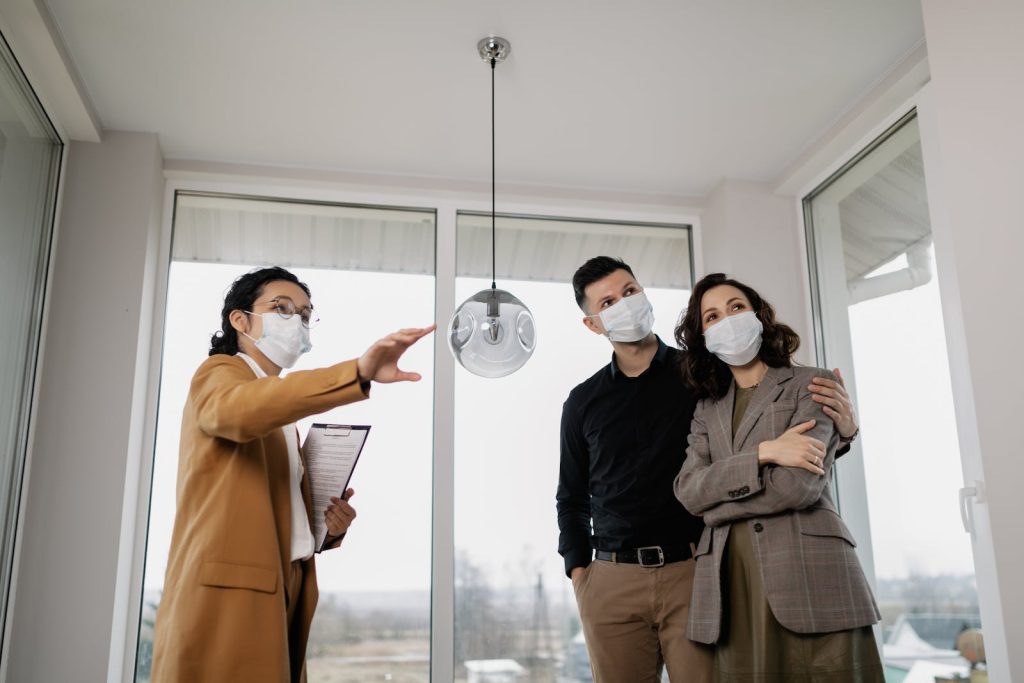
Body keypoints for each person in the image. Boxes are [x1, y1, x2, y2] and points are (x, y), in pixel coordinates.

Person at [556, 257, 861, 683]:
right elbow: (570, 496)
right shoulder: (582, 401)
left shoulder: (705, 376)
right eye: (608, 302)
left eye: (629, 291)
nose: (624, 304)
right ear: (593, 324)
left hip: (694, 569)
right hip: (610, 579)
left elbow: (767, 424)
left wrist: (843, 433)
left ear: (643, 292)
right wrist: (579, 573)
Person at [151, 266, 434, 683]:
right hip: (229, 598)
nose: (295, 321)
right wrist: (356, 372)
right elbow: (240, 410)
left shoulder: (284, 415)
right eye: (280, 308)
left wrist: (326, 527)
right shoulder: (219, 375)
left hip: (285, 586)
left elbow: (269, 509)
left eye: (303, 314)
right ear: (240, 319)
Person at [674, 273, 884, 682]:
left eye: (736, 307)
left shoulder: (813, 384)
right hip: (732, 582)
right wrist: (764, 453)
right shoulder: (706, 410)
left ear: (758, 315)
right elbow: (688, 491)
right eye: (712, 316)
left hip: (812, 572)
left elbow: (798, 486)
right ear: (704, 337)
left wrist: (718, 509)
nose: (728, 320)